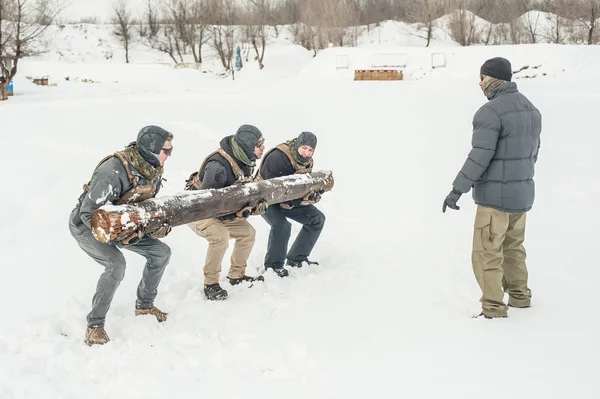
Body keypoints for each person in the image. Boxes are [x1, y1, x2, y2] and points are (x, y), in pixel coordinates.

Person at [443, 57, 542, 319]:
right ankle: (520, 297)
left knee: (487, 253)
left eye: (483, 78)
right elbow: (533, 154)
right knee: (513, 248)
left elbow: (479, 156)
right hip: (521, 197)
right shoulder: (531, 109)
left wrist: (457, 189)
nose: (480, 83)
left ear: (495, 79)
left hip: (494, 201)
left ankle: (493, 308)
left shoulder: (490, 112)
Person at [69, 125, 174, 346]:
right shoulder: (113, 172)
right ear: (152, 150)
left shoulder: (152, 168)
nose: (170, 154)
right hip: (88, 225)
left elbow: (144, 205)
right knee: (116, 265)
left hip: (124, 224)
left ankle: (145, 306)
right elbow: (87, 212)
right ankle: (94, 327)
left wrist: (155, 226)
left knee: (161, 253)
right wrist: (113, 235)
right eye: (167, 150)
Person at [185, 124, 267, 300]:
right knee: (220, 236)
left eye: (263, 142)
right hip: (196, 211)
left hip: (223, 209)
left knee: (248, 233)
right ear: (247, 145)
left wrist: (252, 207)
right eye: (259, 144)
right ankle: (211, 283)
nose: (263, 147)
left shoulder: (245, 159)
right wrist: (237, 213)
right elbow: (206, 204)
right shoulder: (218, 167)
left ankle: (236, 276)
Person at [255, 132, 326, 278]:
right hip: (265, 199)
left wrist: (310, 196)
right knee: (281, 225)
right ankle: (273, 267)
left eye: (310, 150)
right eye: (304, 148)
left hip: (289, 199)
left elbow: (302, 186)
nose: (306, 153)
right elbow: (271, 190)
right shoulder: (278, 158)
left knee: (317, 219)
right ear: (297, 145)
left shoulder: (307, 162)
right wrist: (300, 200)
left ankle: (297, 259)